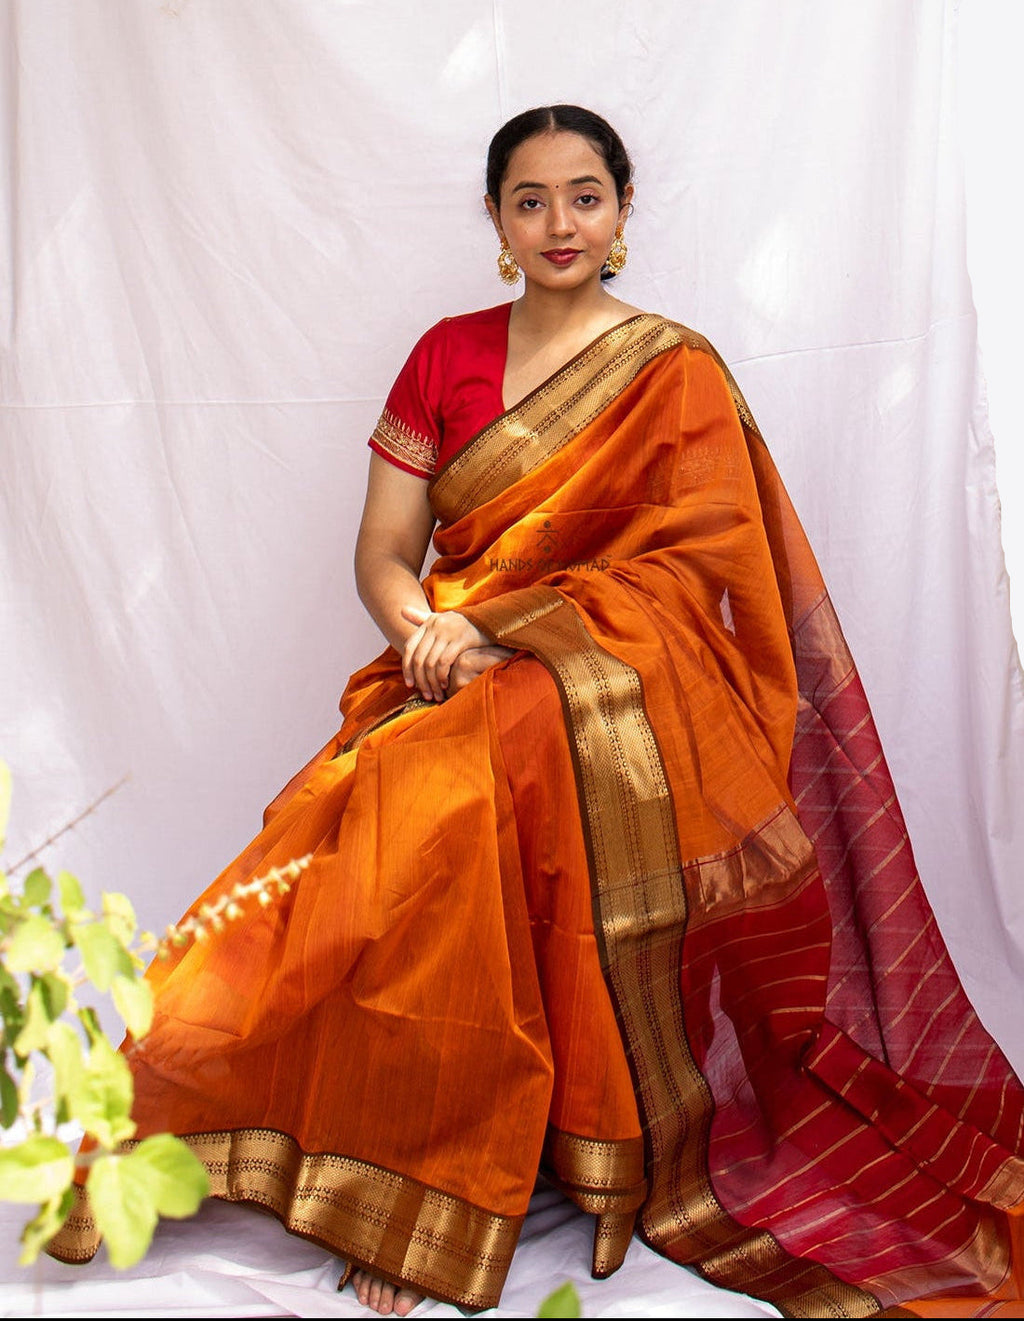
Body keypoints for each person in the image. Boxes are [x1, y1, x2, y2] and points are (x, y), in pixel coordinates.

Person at [47, 105, 1024, 1319]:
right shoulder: (445, 355)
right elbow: (385, 550)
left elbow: (699, 574)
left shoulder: (673, 367)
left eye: (582, 196)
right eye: (528, 199)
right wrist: (427, 634)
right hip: (446, 667)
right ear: (497, 223)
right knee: (365, 829)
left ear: (621, 214)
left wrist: (515, 627)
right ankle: (308, 1143)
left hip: (629, 681)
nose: (558, 222)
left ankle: (450, 1175)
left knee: (466, 784)